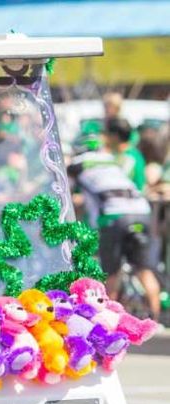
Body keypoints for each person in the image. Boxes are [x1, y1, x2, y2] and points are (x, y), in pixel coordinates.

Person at [68, 133, 161, 319]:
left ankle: (106, 319)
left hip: (115, 215)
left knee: (110, 271)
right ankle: (156, 319)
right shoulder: (111, 161)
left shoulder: (77, 165)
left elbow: (65, 195)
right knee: (144, 270)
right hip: (142, 212)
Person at [105, 118, 147, 191]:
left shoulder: (131, 158)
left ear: (115, 137)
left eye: (107, 134)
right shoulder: (112, 154)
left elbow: (116, 184)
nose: (105, 138)